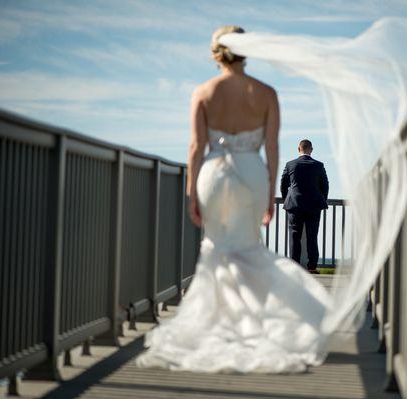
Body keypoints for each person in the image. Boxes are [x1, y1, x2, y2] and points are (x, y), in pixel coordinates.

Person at [136, 26, 331, 373]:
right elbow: (271, 147)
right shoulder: (267, 93)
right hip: (251, 173)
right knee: (247, 247)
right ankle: (254, 327)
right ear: (246, 50)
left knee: (217, 248)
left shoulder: (204, 92)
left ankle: (218, 328)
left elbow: (196, 147)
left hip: (213, 174)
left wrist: (192, 190)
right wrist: (271, 190)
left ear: (216, 53)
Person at [280, 140, 329, 273]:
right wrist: (321, 199)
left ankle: (295, 266)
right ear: (311, 150)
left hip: (294, 205)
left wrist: (286, 198)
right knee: (312, 236)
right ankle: (312, 266)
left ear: (298, 149)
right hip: (314, 205)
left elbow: (283, 184)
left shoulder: (290, 165)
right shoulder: (319, 165)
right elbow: (325, 185)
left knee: (294, 236)